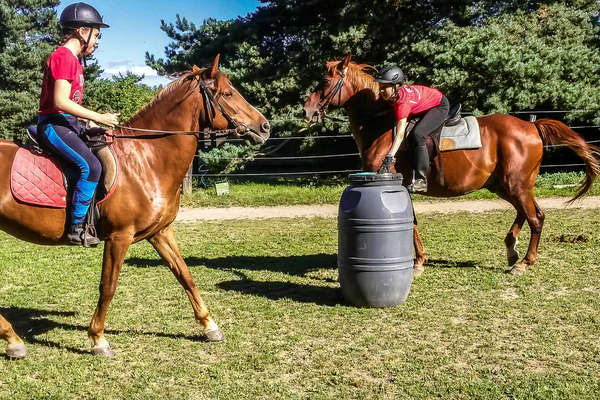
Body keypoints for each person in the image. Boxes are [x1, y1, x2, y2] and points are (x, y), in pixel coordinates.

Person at [37, 2, 119, 246]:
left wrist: (92, 120)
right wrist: (99, 115)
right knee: (91, 166)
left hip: (67, 123)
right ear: (83, 31)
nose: (97, 41)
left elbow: (71, 105)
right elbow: (60, 101)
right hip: (53, 125)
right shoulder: (63, 57)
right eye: (97, 35)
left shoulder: (74, 60)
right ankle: (76, 228)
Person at [374, 65, 449, 193]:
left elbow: (400, 134)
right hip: (424, 103)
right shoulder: (395, 94)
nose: (380, 91)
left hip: (439, 106)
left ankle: (421, 180)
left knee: (418, 134)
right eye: (380, 87)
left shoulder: (403, 103)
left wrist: (389, 156)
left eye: (384, 87)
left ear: (396, 86)